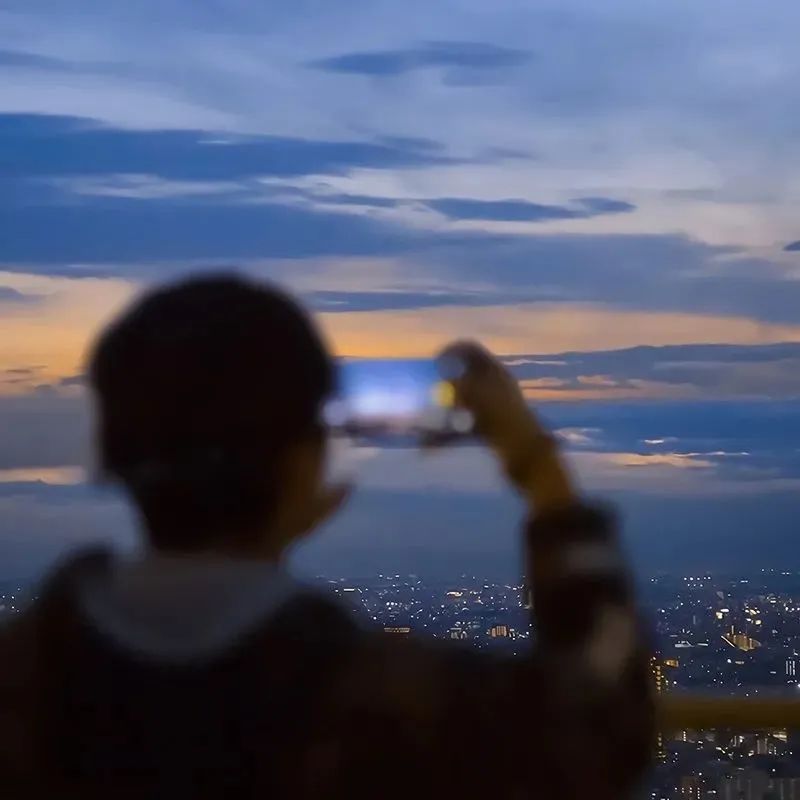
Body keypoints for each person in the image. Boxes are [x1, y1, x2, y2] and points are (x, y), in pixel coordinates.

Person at [0, 274, 654, 798]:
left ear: (115, 451)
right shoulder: (374, 699)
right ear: (301, 464)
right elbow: (599, 728)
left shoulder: (28, 682)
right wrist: (539, 468)